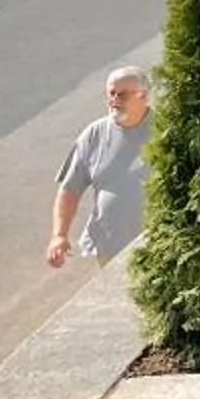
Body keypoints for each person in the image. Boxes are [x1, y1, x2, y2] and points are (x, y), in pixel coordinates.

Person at [47, 66, 154, 267]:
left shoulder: (165, 130)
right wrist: (59, 235)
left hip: (157, 248)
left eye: (122, 95)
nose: (114, 100)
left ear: (143, 96)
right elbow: (70, 189)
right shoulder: (94, 134)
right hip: (110, 249)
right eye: (111, 93)